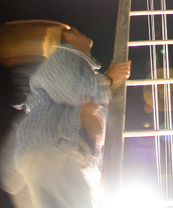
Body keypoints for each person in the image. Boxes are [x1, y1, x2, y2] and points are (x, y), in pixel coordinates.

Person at [0, 27, 131, 208]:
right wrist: (108, 79)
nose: (80, 31)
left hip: (61, 164)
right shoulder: (66, 54)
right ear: (69, 36)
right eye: (73, 30)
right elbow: (71, 88)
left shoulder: (85, 74)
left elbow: (91, 116)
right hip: (56, 158)